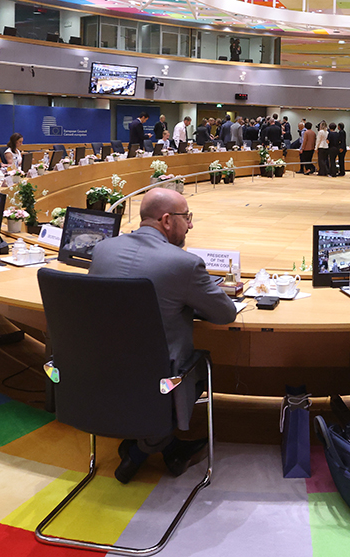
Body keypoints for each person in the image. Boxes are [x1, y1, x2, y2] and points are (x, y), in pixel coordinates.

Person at [89, 187, 237, 483]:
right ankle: (139, 452)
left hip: (101, 374)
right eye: (187, 217)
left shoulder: (103, 249)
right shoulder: (183, 264)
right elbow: (225, 314)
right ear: (167, 220)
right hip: (159, 381)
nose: (190, 225)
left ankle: (170, 450)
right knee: (200, 366)